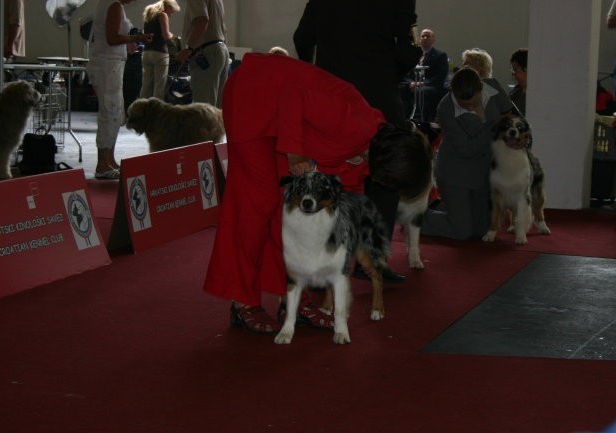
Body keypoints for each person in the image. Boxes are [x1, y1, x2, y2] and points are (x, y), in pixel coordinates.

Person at [202, 53, 431, 334]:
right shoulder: (354, 122)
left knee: (288, 214)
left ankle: (291, 299)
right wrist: (295, 150)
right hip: (254, 96)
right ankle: (242, 303)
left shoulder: (369, 154)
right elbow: (293, 95)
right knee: (256, 203)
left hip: (283, 123)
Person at [293, 0, 421, 283]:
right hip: (380, 94)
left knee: (327, 174)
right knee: (386, 176)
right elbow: (408, 48)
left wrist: (314, 75)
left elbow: (302, 36)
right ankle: (373, 260)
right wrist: (389, 74)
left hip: (331, 94)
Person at [420, 67, 514, 240]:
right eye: (465, 106)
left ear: (481, 89)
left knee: (482, 231)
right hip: (456, 173)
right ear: (453, 93)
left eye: (474, 103)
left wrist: (518, 136)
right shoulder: (445, 108)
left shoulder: (492, 87)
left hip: (484, 172)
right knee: (463, 232)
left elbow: (513, 116)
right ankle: (416, 219)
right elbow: (468, 149)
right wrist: (495, 126)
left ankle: (445, 207)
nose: (471, 107)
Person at [86, 0, 152, 179]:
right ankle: (101, 164)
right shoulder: (113, 5)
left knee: (116, 113)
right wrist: (136, 38)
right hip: (107, 65)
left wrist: (129, 43)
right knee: (110, 112)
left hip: (111, 64)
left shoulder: (111, 5)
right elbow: (112, 38)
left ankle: (109, 160)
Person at [175, 0, 229, 108]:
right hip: (221, 49)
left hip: (205, 52)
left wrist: (188, 48)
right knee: (217, 107)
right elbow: (223, 26)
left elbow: (202, 20)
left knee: (203, 107)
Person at [400, 28, 449, 122]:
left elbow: (440, 76)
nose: (425, 38)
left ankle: (419, 119)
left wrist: (421, 83)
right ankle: (401, 118)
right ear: (419, 39)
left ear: (433, 39)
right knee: (399, 87)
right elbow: (406, 73)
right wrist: (410, 83)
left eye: (428, 36)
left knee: (420, 92)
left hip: (430, 86)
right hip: (413, 85)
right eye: (423, 36)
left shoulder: (441, 55)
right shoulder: (414, 55)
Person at [140, 0, 180, 100]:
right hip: (160, 54)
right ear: (167, 7)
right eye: (171, 11)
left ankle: (142, 111)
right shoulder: (163, 15)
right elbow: (166, 35)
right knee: (159, 86)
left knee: (146, 85)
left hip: (146, 53)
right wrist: (176, 37)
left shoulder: (148, 16)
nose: (170, 15)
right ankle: (156, 112)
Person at [509, 47, 528, 115]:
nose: (513, 73)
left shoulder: (539, 94)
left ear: (526, 69)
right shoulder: (513, 93)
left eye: (515, 69)